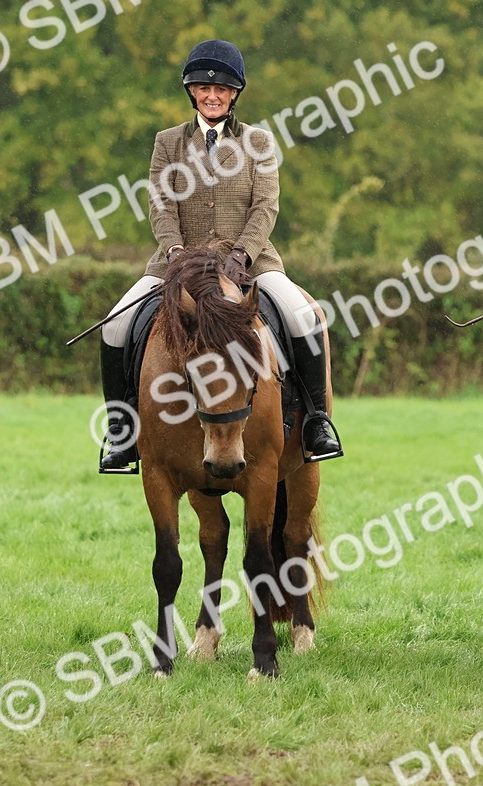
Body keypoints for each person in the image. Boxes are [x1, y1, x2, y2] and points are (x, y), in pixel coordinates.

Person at [97, 39, 341, 473]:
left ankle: (316, 422)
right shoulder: (168, 143)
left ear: (234, 94)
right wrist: (174, 251)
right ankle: (121, 430)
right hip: (176, 265)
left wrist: (243, 253)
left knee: (305, 318)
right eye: (204, 89)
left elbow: (266, 206)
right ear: (192, 92)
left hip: (250, 264)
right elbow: (160, 205)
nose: (212, 96)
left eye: (222, 90)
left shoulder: (258, 142)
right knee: (115, 324)